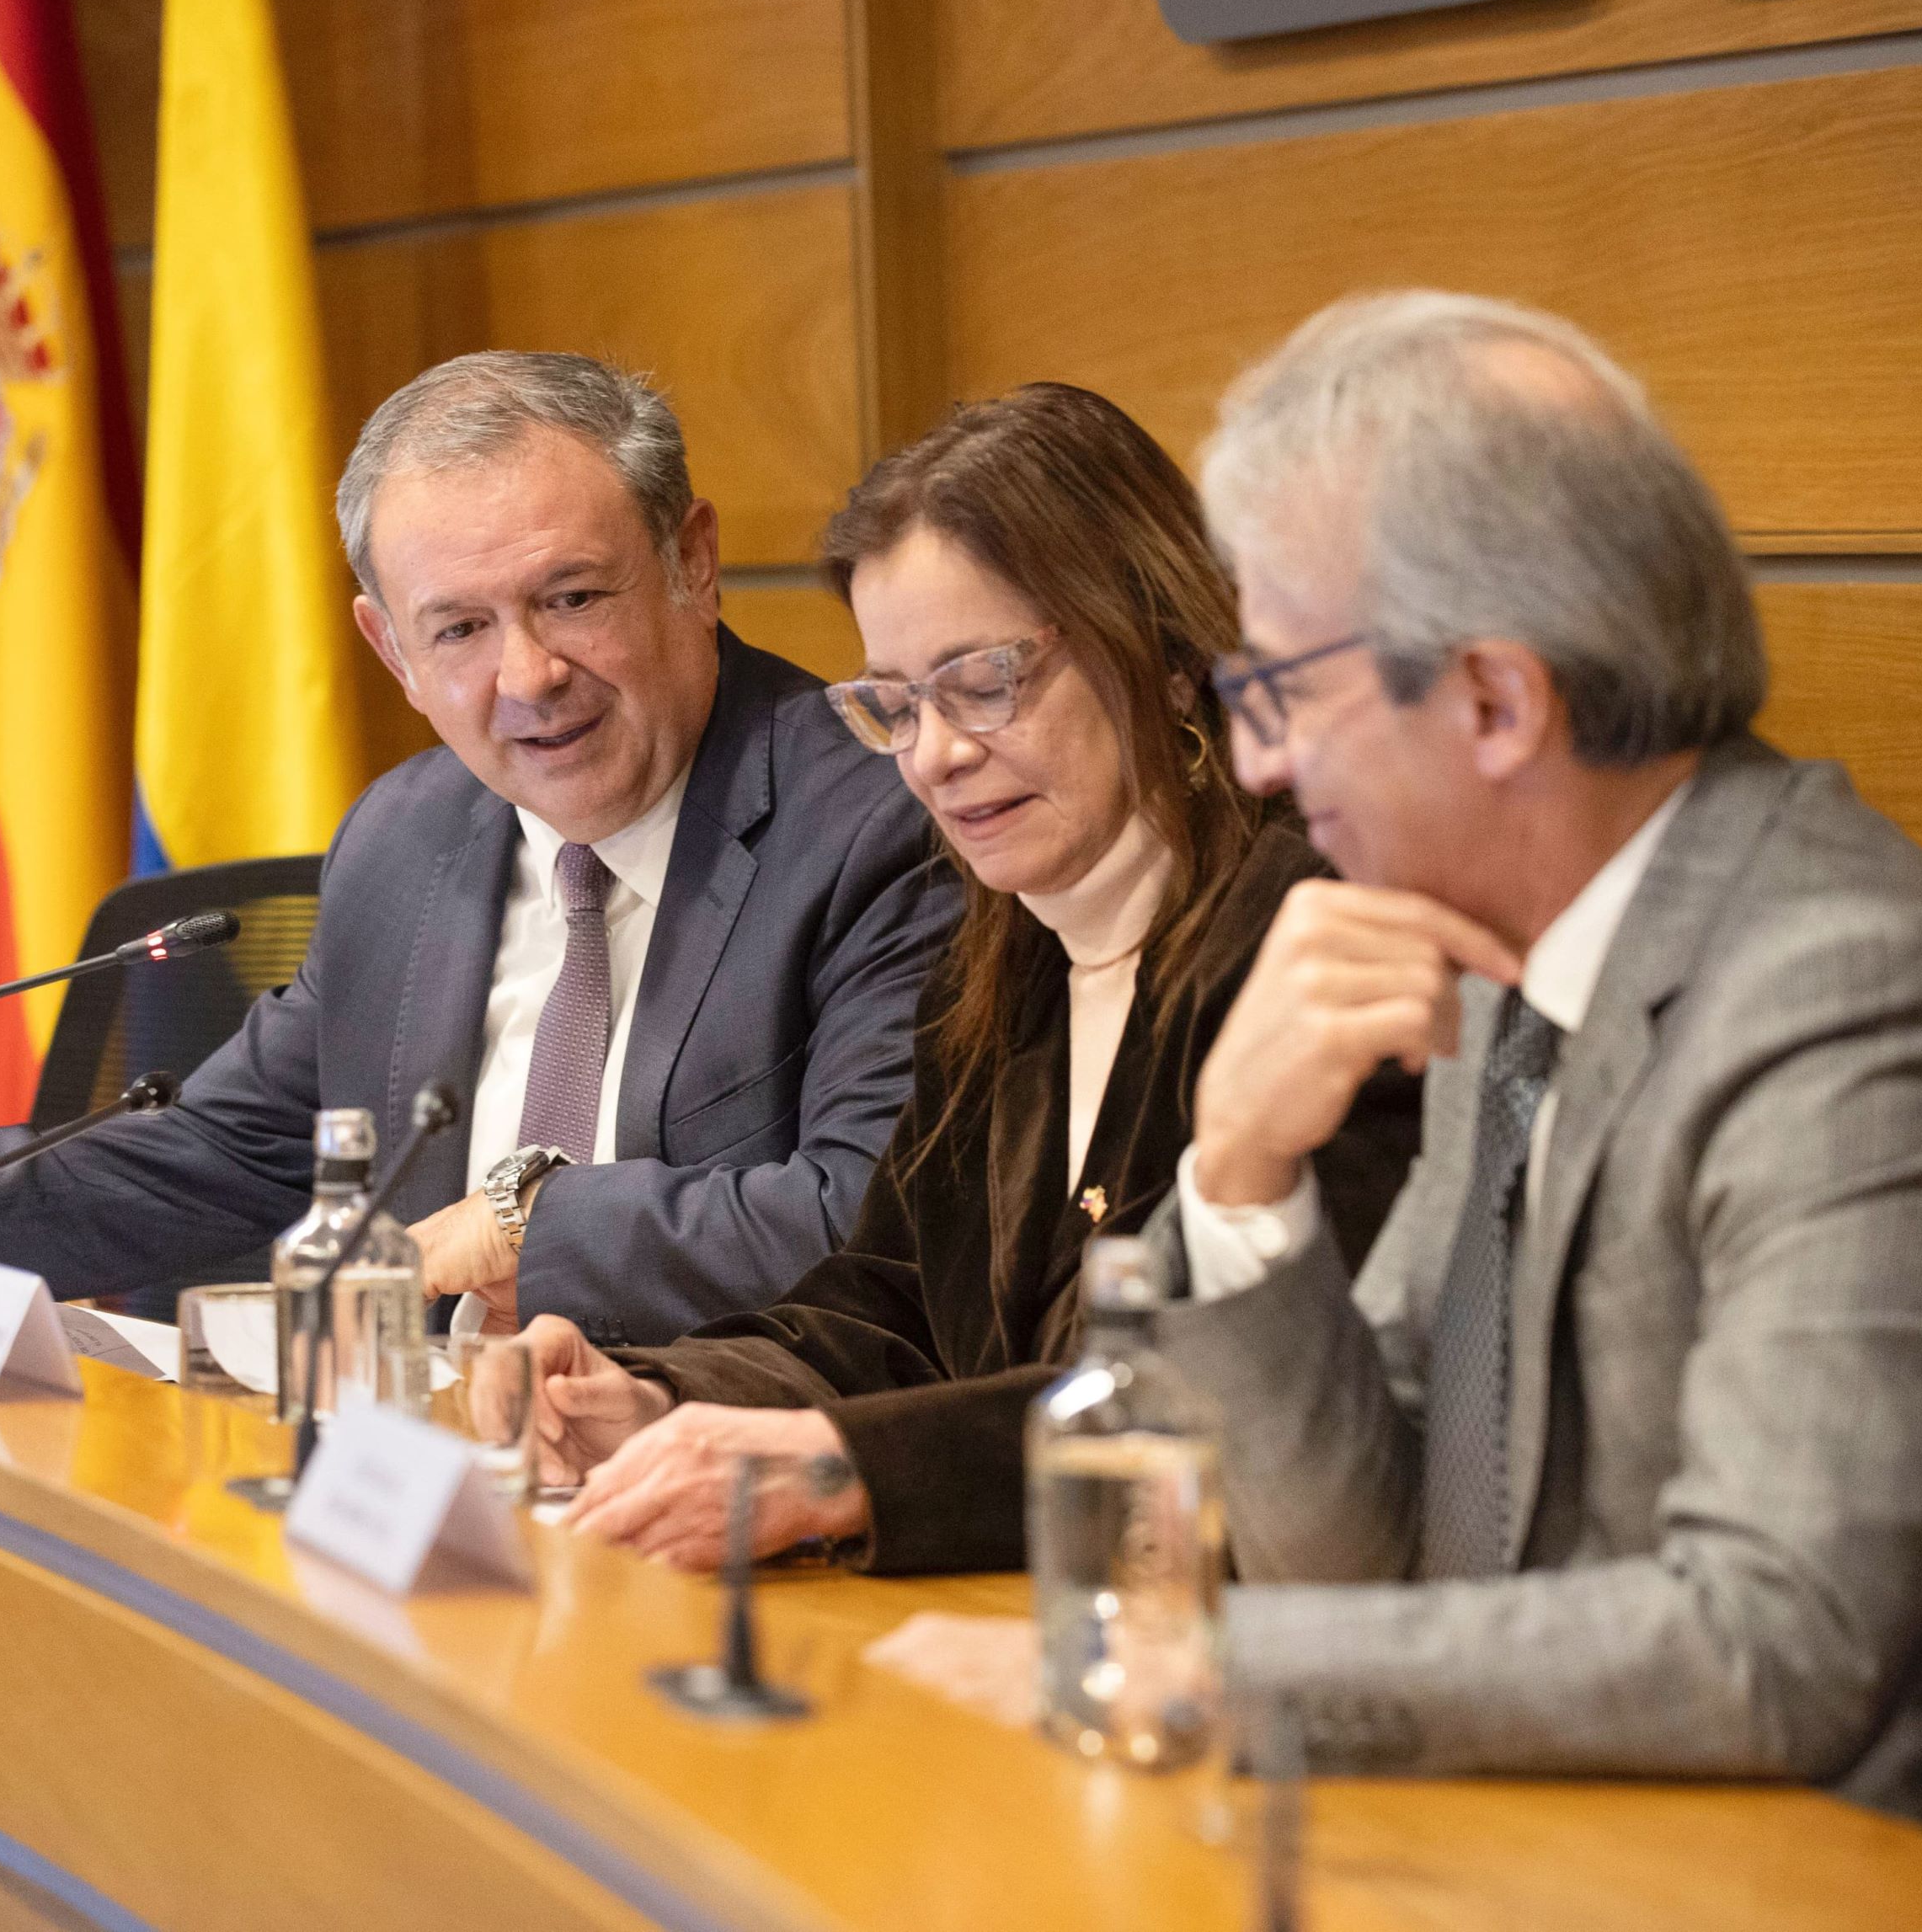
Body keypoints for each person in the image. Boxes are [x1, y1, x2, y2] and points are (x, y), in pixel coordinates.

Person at [1147, 291, 1922, 1876]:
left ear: (1495, 699)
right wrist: (1241, 1177)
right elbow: (1368, 1561)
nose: (1257, 764)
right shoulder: (1506, 968)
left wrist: (1189, 1670)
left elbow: (1766, 1640)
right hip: (1571, 1857)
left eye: (1284, 690)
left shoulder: (1853, 997)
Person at [0, 353, 963, 1346]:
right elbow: (222, 1150)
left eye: (573, 596)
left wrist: (524, 1222)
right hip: (406, 1467)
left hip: (716, 1480)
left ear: (694, 561)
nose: (527, 677)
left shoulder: (882, 817)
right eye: (460, 628)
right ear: (390, 650)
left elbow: (874, 1212)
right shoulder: (412, 840)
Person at [502, 383, 1420, 1574]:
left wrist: (842, 1467)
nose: (934, 755)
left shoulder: (1307, 943)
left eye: (984, 682)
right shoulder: (1002, 954)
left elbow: (1229, 1412)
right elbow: (884, 1305)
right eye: (894, 703)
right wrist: (657, 1396)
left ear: (1162, 649)